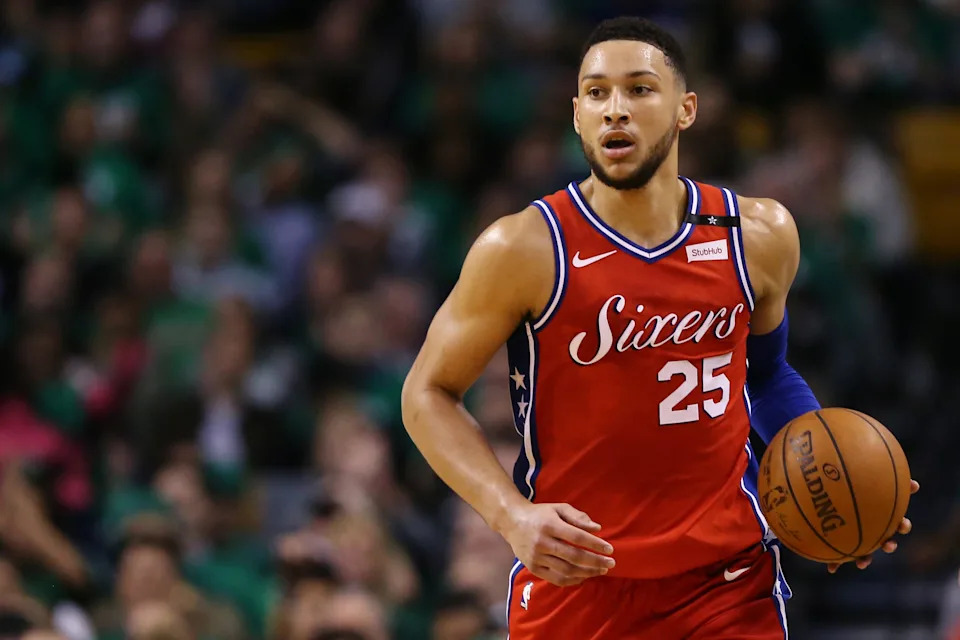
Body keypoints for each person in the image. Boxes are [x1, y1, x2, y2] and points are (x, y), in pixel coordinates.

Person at [401, 16, 920, 640]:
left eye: (640, 89)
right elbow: (426, 394)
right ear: (575, 114)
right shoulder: (524, 247)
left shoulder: (757, 235)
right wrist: (509, 515)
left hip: (727, 582)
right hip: (579, 582)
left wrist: (835, 487)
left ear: (685, 109)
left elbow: (768, 373)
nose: (615, 109)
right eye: (596, 93)